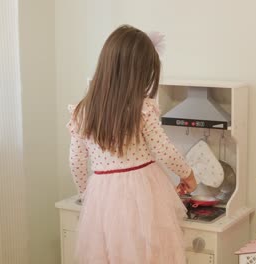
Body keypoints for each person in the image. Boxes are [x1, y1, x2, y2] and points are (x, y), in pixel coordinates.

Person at [67, 25, 197, 264]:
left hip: (102, 194)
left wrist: (87, 195)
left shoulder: (82, 112)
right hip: (142, 192)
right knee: (148, 254)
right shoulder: (142, 109)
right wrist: (188, 174)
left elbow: (76, 161)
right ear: (139, 73)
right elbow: (165, 151)